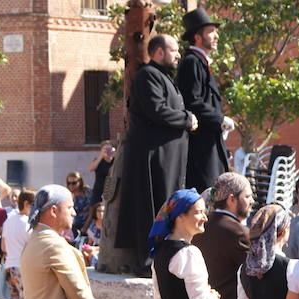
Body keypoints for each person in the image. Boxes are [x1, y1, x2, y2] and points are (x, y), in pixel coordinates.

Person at [117, 33, 196, 277]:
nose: (178, 55)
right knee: (152, 207)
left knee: (166, 204)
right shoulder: (147, 76)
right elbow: (157, 110)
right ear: (159, 52)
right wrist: (186, 119)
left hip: (168, 159)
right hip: (154, 160)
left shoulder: (163, 77)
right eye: (174, 50)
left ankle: (163, 260)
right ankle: (148, 262)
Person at [178, 8, 232, 193]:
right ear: (197, 36)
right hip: (200, 150)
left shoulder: (201, 62)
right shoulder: (192, 62)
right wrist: (219, 120)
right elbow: (192, 101)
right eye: (211, 31)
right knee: (207, 195)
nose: (216, 36)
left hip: (209, 145)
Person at [87, 140, 115, 205]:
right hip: (99, 189)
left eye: (109, 149)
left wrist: (115, 155)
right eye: (105, 149)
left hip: (111, 189)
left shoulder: (115, 160)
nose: (108, 151)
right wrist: (101, 155)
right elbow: (90, 169)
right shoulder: (98, 160)